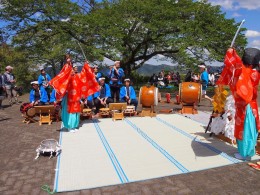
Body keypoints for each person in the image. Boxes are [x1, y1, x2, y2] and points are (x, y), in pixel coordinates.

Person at [216, 47, 260, 160]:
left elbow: (231, 65)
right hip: (252, 105)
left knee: (245, 130)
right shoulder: (256, 72)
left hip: (245, 106)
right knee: (250, 129)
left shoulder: (243, 70)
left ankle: (244, 153)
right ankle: (248, 151)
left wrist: (230, 51)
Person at [49, 54, 99, 132]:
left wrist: (86, 65)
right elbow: (65, 72)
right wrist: (68, 63)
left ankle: (74, 125)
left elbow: (84, 75)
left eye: (75, 68)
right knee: (69, 111)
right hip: (69, 96)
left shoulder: (77, 76)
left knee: (76, 111)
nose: (74, 69)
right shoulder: (68, 76)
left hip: (76, 97)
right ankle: (69, 126)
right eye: (73, 68)